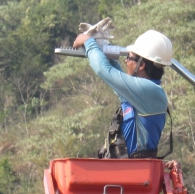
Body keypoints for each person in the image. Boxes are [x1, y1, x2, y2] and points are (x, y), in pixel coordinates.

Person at [73, 29, 172, 159]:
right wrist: (103, 47)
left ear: (141, 65)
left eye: (129, 58)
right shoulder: (142, 94)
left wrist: (88, 42)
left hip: (135, 174)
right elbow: (116, 77)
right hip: (126, 172)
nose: (126, 62)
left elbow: (104, 70)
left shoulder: (149, 91)